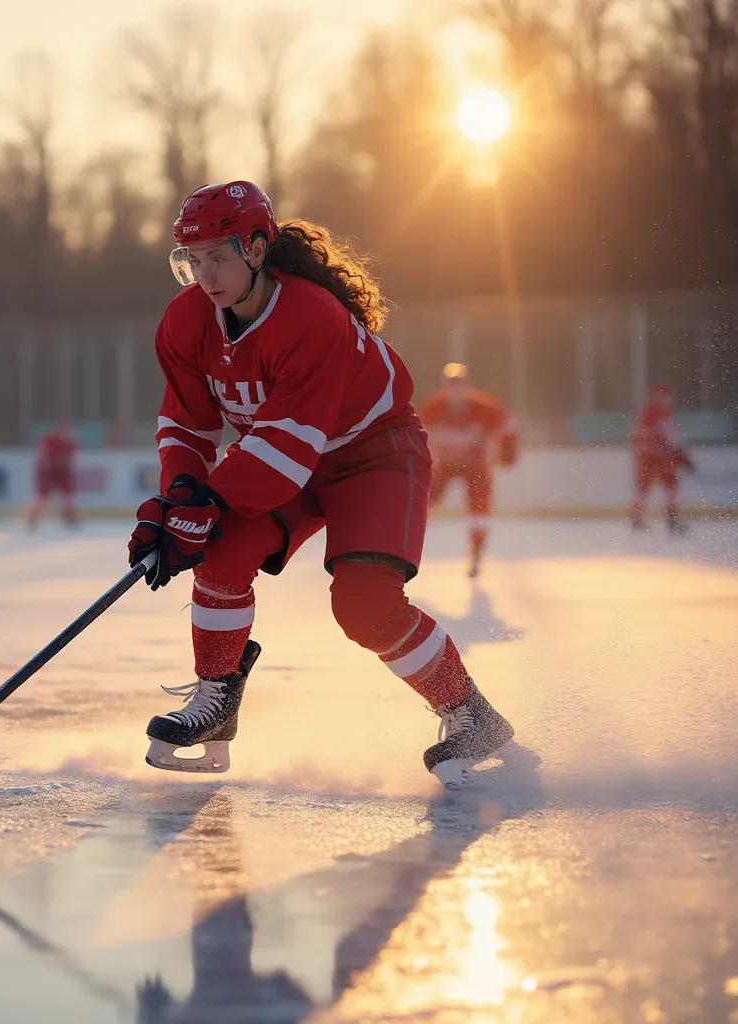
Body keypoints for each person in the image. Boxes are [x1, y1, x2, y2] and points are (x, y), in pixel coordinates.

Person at [127, 181, 514, 790]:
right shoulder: (186, 322)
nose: (205, 276)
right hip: (281, 455)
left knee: (364, 605)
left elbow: (287, 447)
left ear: (257, 248)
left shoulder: (311, 318)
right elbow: (186, 422)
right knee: (221, 556)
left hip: (372, 453)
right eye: (192, 262)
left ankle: (471, 714)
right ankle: (216, 700)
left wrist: (205, 502)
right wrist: (179, 496)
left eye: (219, 257)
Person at [417, 363, 519, 578]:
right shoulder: (431, 409)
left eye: (460, 386)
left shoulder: (486, 407)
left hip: (476, 466)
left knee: (479, 510)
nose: (456, 392)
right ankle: (406, 548)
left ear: (468, 386)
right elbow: (415, 435)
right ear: (443, 387)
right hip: (443, 465)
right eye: (451, 386)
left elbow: (509, 427)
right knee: (420, 503)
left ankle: (476, 554)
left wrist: (508, 453)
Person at [629, 384, 694, 532]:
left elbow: (637, 439)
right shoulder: (662, 414)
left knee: (643, 489)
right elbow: (668, 439)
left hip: (645, 457)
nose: (668, 400)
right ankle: (672, 521)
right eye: (666, 396)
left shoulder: (645, 414)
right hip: (660, 458)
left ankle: (637, 520)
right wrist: (680, 456)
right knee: (671, 488)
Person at [27, 420, 80, 530]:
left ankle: (70, 519)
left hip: (62, 473)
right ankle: (33, 519)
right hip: (49, 473)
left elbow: (69, 459)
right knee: (42, 498)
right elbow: (44, 456)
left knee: (67, 498)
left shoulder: (71, 444)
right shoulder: (50, 441)